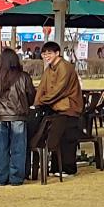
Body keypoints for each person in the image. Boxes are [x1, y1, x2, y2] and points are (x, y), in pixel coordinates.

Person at [0, 48, 36, 186]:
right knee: (18, 148)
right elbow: (31, 96)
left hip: (0, 116)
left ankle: (0, 178)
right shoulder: (24, 77)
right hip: (19, 116)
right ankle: (16, 178)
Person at [34, 41, 83, 176]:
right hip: (56, 109)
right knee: (57, 138)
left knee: (68, 139)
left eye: (49, 53)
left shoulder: (65, 67)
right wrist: (36, 103)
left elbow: (59, 89)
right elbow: (42, 87)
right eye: (44, 53)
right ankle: (56, 167)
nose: (46, 56)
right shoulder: (49, 69)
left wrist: (42, 101)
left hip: (69, 108)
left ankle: (68, 168)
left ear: (57, 53)